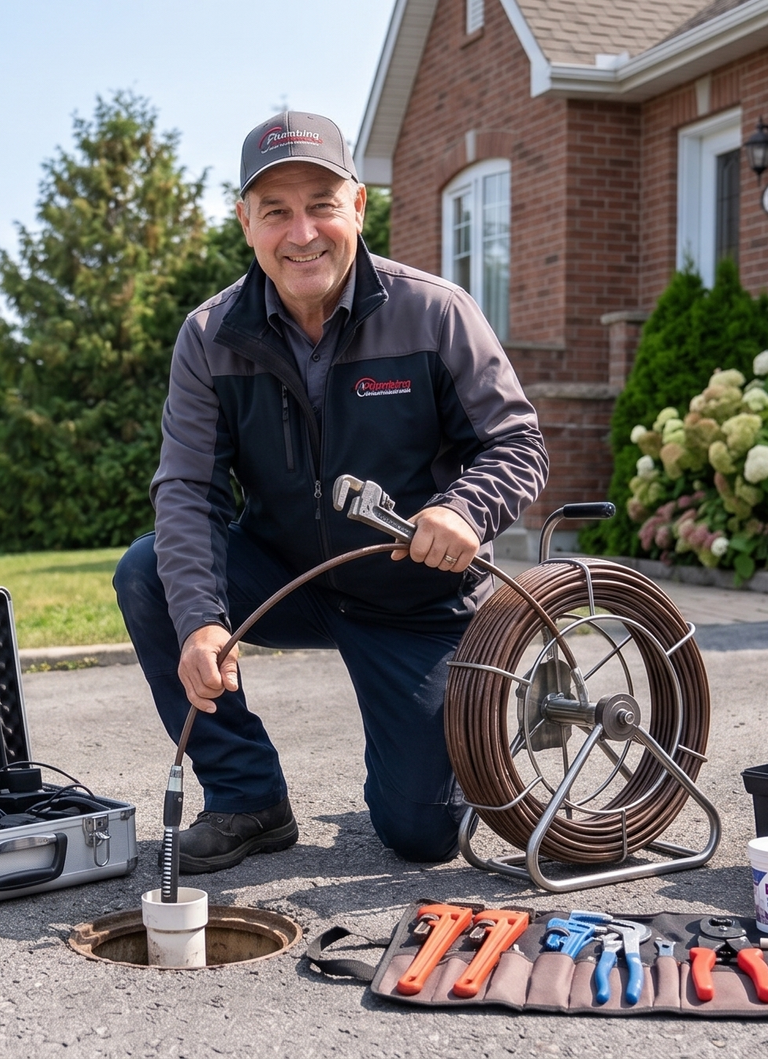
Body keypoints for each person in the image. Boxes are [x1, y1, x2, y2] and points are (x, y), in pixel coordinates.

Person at [113, 110, 547, 874]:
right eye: (275, 211)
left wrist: (463, 508)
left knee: (421, 836)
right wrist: (201, 623)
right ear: (245, 222)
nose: (301, 232)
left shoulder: (435, 312)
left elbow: (517, 443)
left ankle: (465, 724)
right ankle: (249, 797)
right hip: (289, 579)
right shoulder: (209, 336)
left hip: (415, 600)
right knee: (149, 573)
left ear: (359, 206)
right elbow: (188, 491)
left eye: (321, 203)